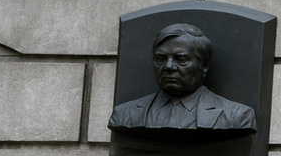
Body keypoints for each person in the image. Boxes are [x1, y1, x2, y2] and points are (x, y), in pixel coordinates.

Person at [108, 22, 256, 134]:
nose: (169, 67)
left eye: (181, 59)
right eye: (161, 59)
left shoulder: (236, 117)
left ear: (204, 66)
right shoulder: (124, 115)